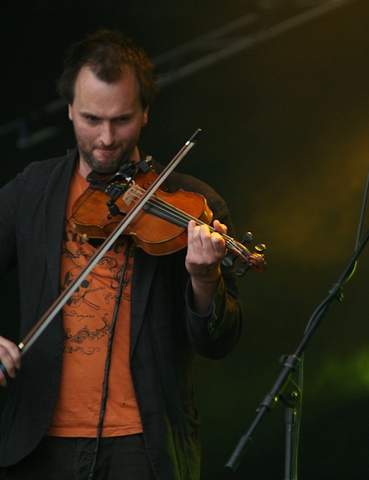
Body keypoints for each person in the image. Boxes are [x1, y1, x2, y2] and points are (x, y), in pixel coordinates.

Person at [0, 29, 243, 479]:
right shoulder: (31, 190)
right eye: (91, 119)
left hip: (144, 446)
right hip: (39, 444)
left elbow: (218, 342)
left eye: (122, 119)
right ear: (69, 109)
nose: (107, 138)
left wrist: (205, 280)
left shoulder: (190, 203)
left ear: (145, 112)